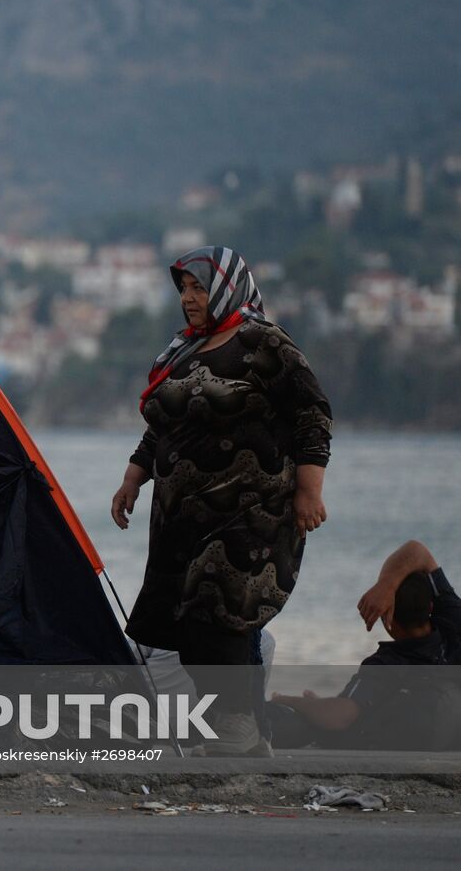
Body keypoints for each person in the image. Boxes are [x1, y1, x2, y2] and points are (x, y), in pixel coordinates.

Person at [111, 246, 332, 756]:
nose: (189, 297)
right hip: (182, 520)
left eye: (198, 286)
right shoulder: (184, 352)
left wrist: (309, 491)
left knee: (220, 605)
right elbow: (162, 428)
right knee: (190, 621)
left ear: (228, 286)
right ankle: (247, 735)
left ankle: (234, 723)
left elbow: (311, 413)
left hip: (249, 514)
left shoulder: (264, 342)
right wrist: (132, 480)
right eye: (183, 288)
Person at [268, 540, 461, 749]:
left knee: (289, 720)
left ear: (387, 616)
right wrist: (388, 584)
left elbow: (340, 718)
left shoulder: (388, 664)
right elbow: (418, 551)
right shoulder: (453, 626)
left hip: (391, 745)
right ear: (430, 606)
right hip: (444, 741)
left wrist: (288, 700)